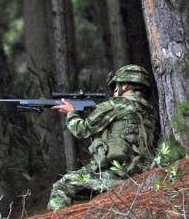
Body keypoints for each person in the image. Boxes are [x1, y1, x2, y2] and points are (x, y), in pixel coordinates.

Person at [47, 64, 157, 210]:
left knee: (62, 186)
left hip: (117, 175)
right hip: (144, 172)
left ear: (126, 84)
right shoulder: (150, 112)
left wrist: (70, 112)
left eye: (117, 86)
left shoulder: (115, 106)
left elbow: (81, 129)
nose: (115, 90)